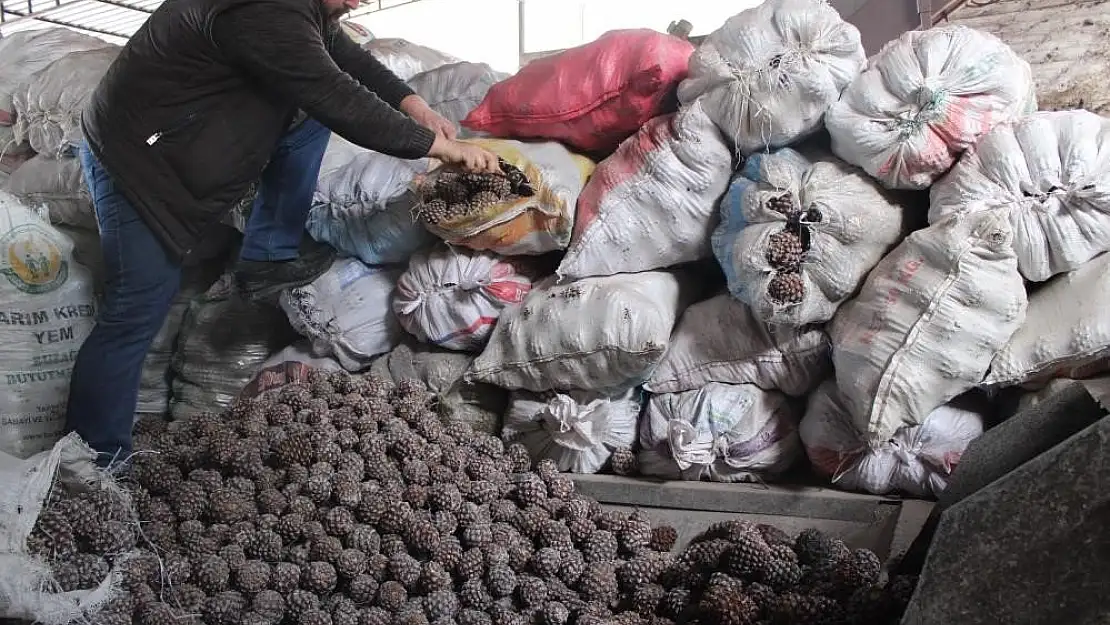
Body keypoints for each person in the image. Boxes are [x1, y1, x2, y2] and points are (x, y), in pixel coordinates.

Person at [68, 0, 501, 464]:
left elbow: (343, 57)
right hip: (139, 163)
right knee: (137, 307)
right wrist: (439, 148)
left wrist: (414, 106)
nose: (357, 3)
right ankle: (94, 461)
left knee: (309, 111)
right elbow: (338, 97)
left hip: (184, 145)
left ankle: (270, 252)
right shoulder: (263, 11)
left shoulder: (302, 9)